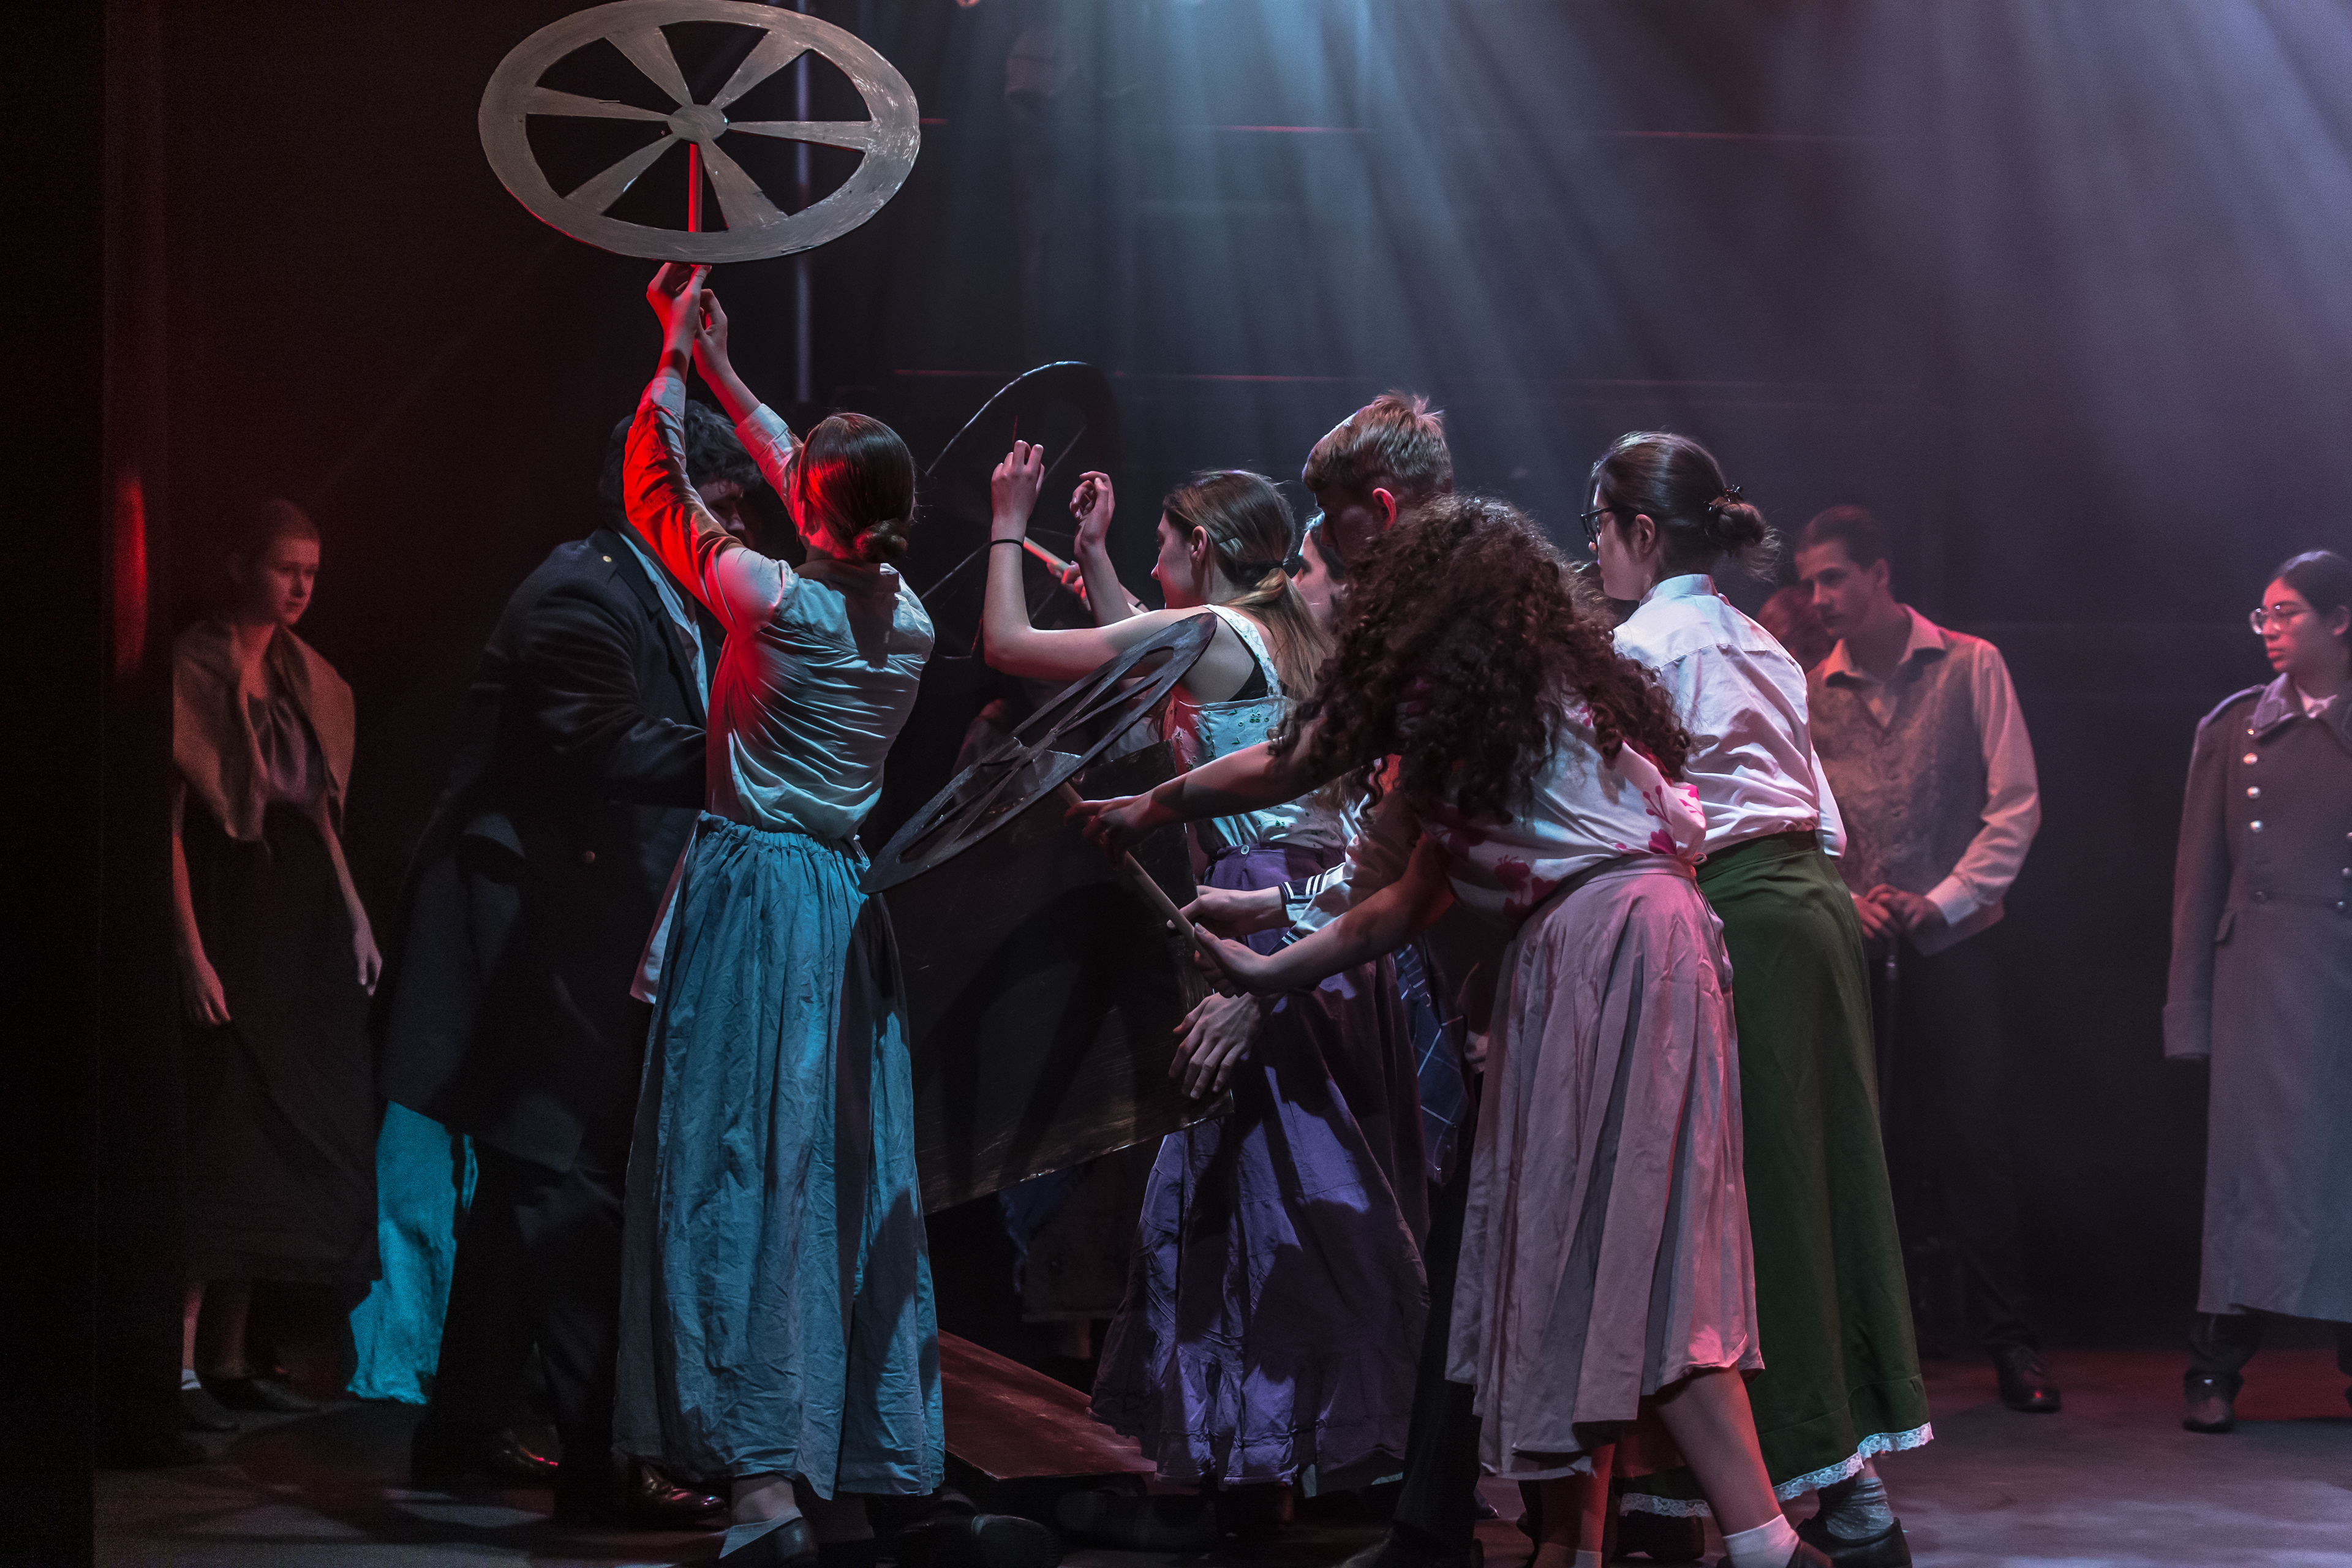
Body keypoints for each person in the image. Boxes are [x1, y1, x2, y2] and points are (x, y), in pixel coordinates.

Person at [1076, 497, 1831, 1568]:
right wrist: (1270, 965)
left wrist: (1151, 807)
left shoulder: (1448, 705)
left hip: (1601, 954)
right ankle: (1579, 1545)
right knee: (1576, 1252)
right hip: (1651, 947)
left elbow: (1299, 762)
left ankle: (1761, 1545)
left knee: (1609, 1250)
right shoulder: (1530, 705)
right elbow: (1403, 900)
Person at [982, 451, 1429, 1518]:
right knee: (1292, 1188)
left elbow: (1008, 644)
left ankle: (1270, 1464)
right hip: (1319, 914)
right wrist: (1094, 556)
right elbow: (1153, 670)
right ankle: (1303, 1456)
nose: (1151, 564)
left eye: (1160, 544)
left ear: (1203, 548)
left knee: (1270, 1199)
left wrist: (1007, 521)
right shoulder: (1280, 634)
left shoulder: (1213, 633)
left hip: (1259, 918)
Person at [372, 402, 760, 1523]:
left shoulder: (657, 597)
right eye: (724, 512)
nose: (738, 538)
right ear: (674, 506)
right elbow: (605, 745)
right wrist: (772, 746)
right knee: (566, 1177)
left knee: (524, 1181)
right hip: (523, 941)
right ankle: (606, 1462)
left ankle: (462, 1429)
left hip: (576, 934)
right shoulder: (579, 594)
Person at [612, 265, 943, 1568]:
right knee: (835, 1173)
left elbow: (657, 493)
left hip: (757, 897)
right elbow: (807, 477)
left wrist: (667, 366)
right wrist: (724, 367)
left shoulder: (771, 601)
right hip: (842, 904)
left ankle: (760, 1479)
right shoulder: (909, 620)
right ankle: (839, 1462)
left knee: (740, 1167)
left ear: (815, 505)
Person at [1591, 440, 1928, 1568]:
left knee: (1739, 1209)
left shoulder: (1641, 647)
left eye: (1599, 528)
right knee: (1815, 1186)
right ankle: (1766, 1490)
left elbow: (1637, 815)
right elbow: (1822, 816)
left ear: (1641, 532)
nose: (1595, 553)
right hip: (1815, 910)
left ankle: (1825, 1490)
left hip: (1735, 911)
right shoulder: (1762, 640)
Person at [1793, 506, 2058, 1415]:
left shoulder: (1972, 665)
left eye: (1834, 577)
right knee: (1863, 1145)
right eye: (1811, 581)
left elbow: (2015, 803)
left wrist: (1943, 898)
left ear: (1880, 573)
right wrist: (1846, 897)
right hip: (1856, 944)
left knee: (1973, 1143)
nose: (1820, 597)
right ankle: (1868, 1350)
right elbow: (1801, 818)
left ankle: (2012, 1342)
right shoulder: (1808, 691)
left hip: (1956, 944)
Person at [172, 499, 379, 1422]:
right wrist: (191, 953)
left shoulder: (308, 679)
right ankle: (177, 1365)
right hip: (231, 907)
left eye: (311, 572)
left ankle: (229, 1356)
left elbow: (320, 814)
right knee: (219, 1132)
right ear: (238, 566)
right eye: (283, 567)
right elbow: (168, 830)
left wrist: (357, 914)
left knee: (274, 1138)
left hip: (300, 918)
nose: (299, 587)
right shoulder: (192, 671)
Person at [2165, 549, 2352, 1433]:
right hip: (2257, 987)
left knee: (2343, 1177)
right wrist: (2188, 1013)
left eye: (2288, 613)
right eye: (2264, 615)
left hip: (2343, 983)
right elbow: (2197, 884)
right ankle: (2214, 1368)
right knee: (2246, 1184)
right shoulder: (2234, 728)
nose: (2270, 630)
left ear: (2340, 621)